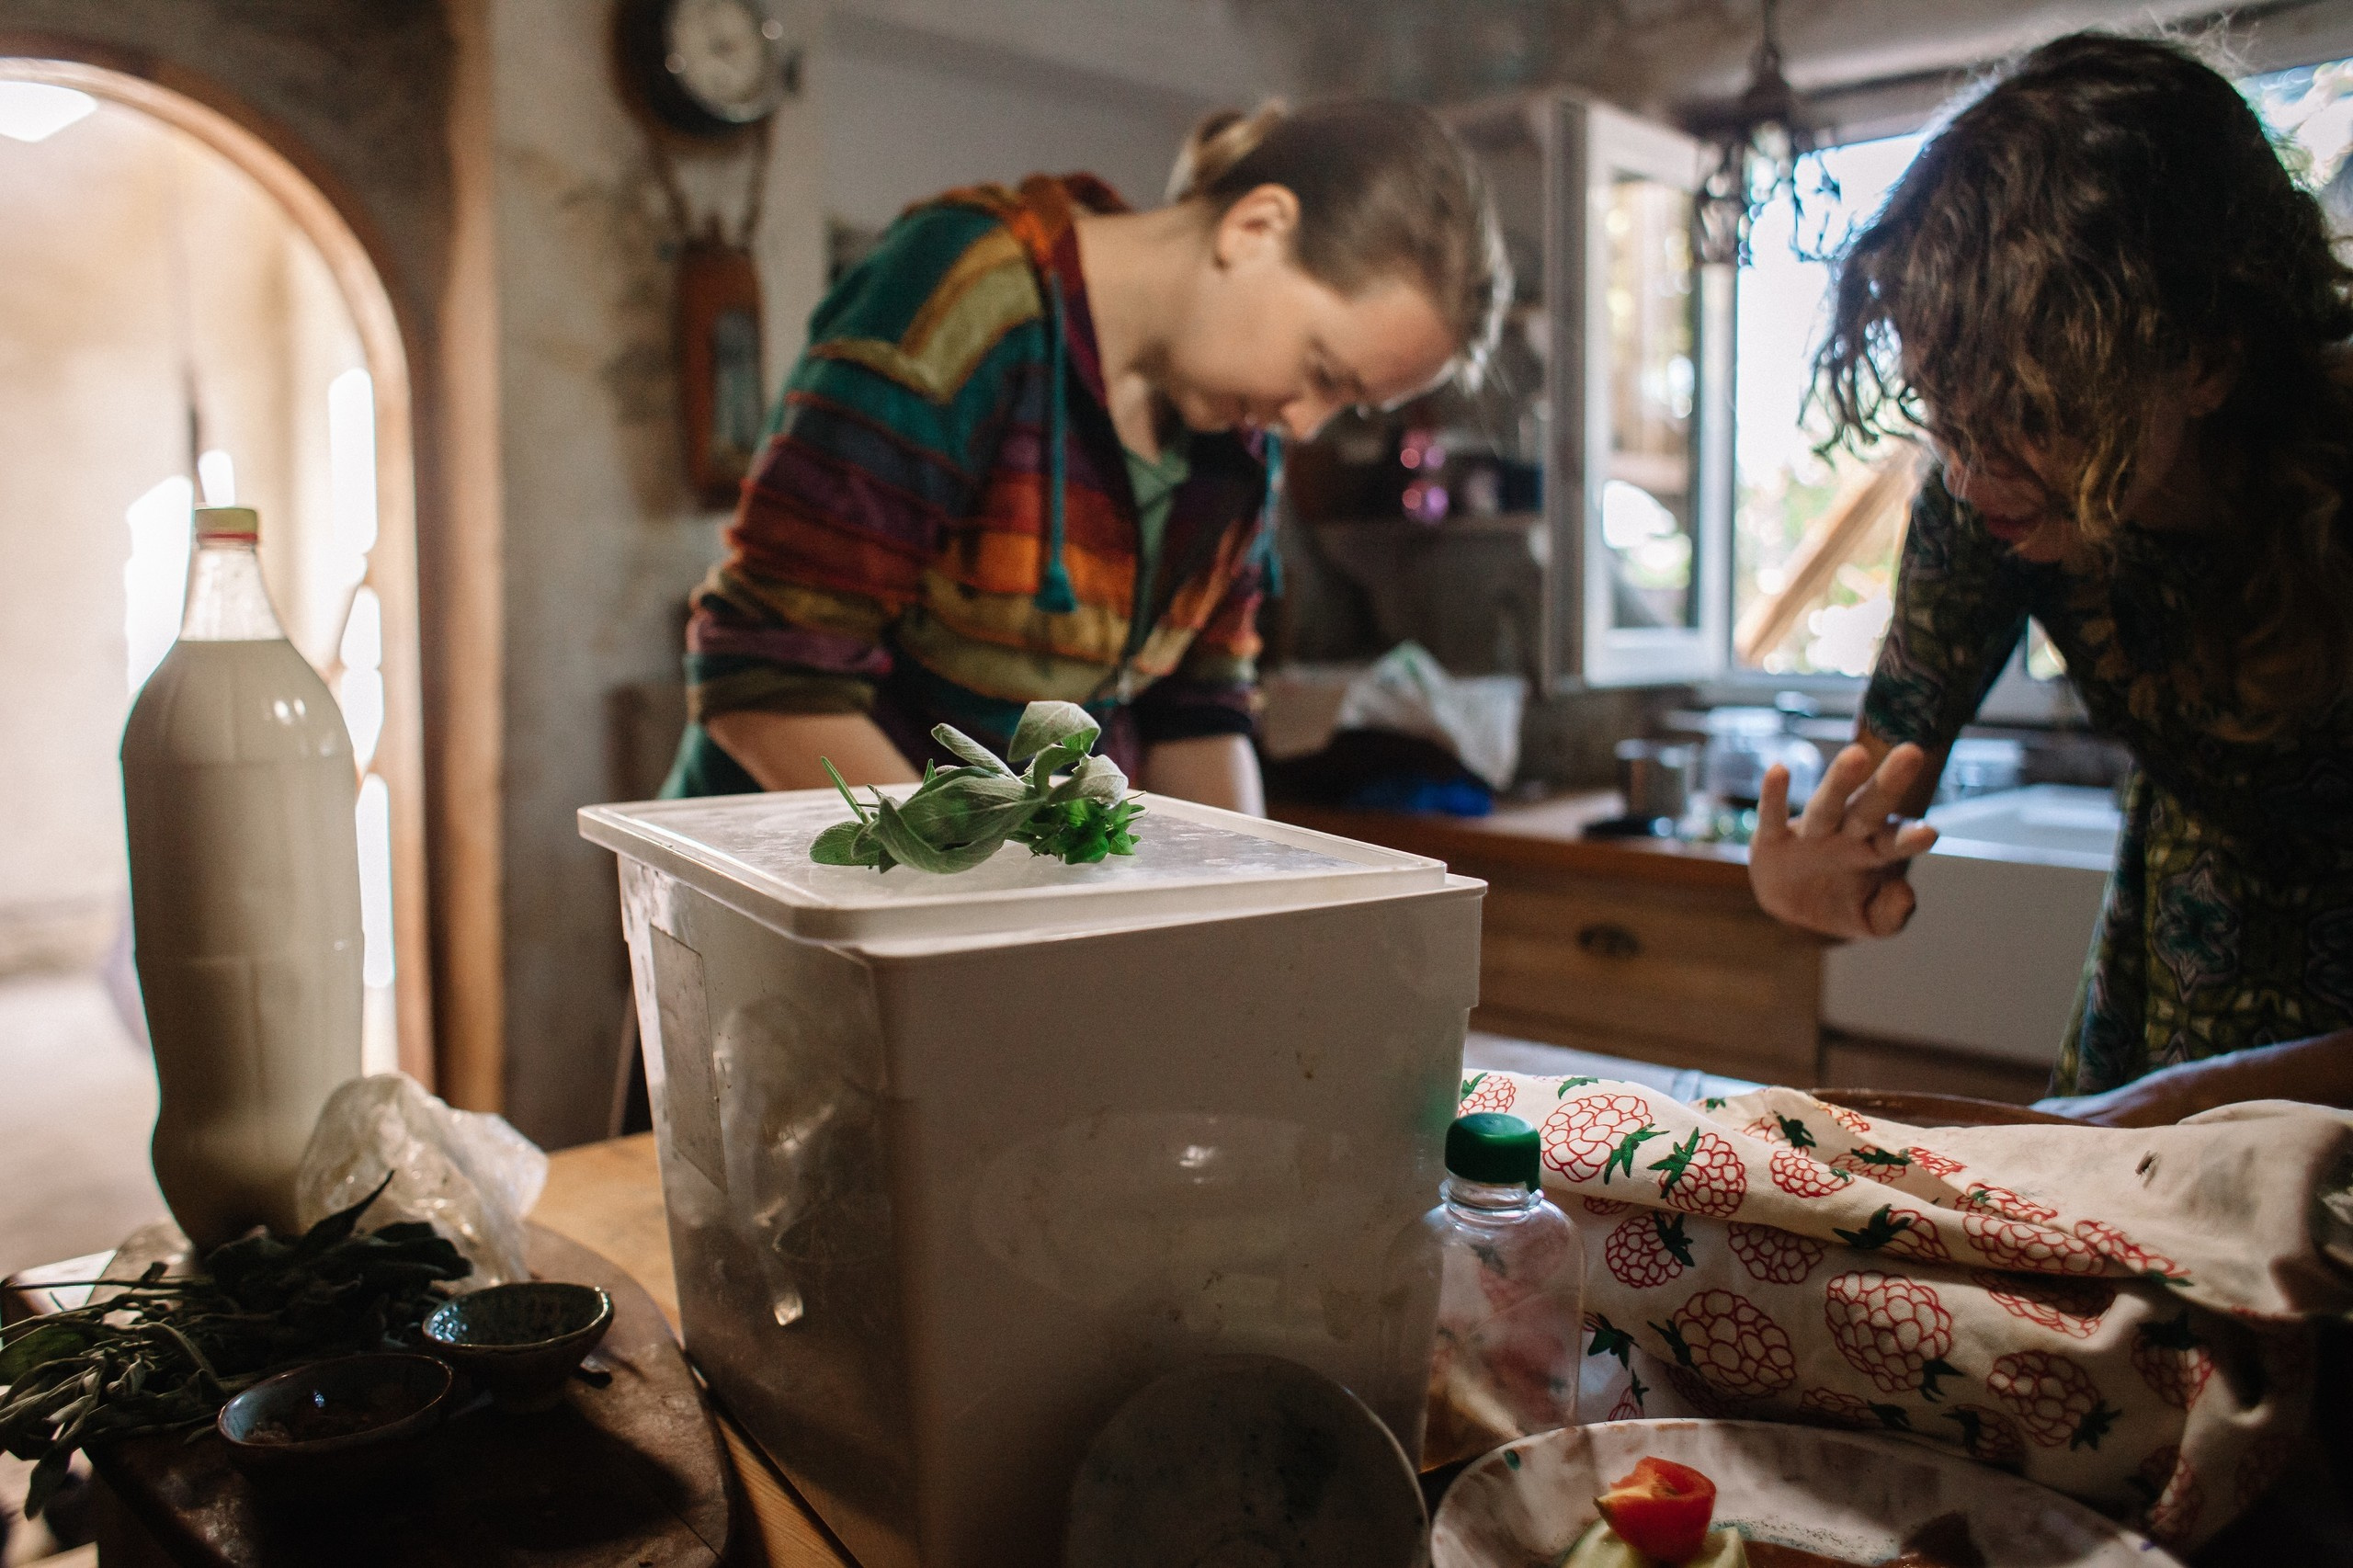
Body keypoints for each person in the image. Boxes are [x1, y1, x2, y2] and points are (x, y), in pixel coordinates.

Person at [1747, 32, 2353, 1126]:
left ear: (2207, 354)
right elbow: (1882, 777)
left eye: (2032, 410)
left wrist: (2202, 1098)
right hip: (2180, 945)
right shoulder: (1988, 491)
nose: (1975, 473)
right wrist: (1801, 882)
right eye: (1946, 411)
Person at [663, 102, 1506, 816]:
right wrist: (971, 898)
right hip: (798, 898)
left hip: (999, 924)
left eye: (1346, 405)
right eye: (1322, 373)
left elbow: (1196, 713)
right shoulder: (970, 295)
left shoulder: (1242, 440)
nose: (1308, 423)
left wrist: (1237, 907)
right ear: (1256, 229)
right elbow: (768, 678)